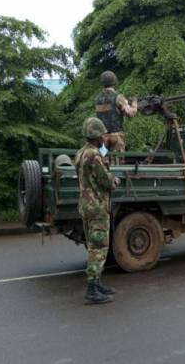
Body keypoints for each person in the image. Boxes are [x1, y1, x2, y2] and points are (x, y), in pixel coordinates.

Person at [75, 117, 120, 304]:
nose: (104, 137)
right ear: (96, 135)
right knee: (99, 246)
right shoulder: (94, 155)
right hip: (97, 206)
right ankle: (92, 289)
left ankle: (97, 282)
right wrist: (114, 180)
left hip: (86, 206)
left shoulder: (81, 152)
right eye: (102, 134)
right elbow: (104, 180)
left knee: (94, 245)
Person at [95, 70, 138, 163]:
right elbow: (130, 113)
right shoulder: (118, 97)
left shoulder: (97, 99)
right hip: (116, 137)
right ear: (114, 82)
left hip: (102, 138)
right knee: (118, 164)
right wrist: (134, 103)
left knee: (103, 162)